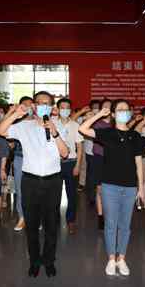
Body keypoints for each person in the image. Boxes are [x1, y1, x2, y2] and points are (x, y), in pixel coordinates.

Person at [0, 91, 69, 278]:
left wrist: (55, 132)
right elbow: (0, 131)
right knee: (32, 224)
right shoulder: (24, 126)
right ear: (34, 106)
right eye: (39, 103)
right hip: (30, 181)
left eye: (47, 103)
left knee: (51, 224)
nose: (43, 106)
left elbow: (65, 153)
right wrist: (14, 114)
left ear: (51, 107)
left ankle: (49, 260)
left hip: (52, 181)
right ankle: (34, 261)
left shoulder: (59, 125)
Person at [79, 100, 144, 277]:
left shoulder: (135, 136)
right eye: (120, 109)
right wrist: (99, 115)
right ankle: (111, 258)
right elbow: (83, 129)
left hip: (130, 186)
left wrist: (141, 187)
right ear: (113, 114)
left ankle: (121, 258)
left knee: (125, 225)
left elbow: (139, 162)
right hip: (109, 185)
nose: (124, 112)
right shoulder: (107, 133)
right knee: (110, 224)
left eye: (126, 109)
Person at [53, 98, 84, 234]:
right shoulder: (52, 123)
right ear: (58, 109)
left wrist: (78, 165)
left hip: (71, 163)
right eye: (62, 107)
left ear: (70, 110)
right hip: (55, 163)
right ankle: (54, 219)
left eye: (67, 108)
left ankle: (71, 220)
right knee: (54, 194)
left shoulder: (75, 125)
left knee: (72, 194)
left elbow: (80, 147)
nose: (65, 110)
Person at [10, 96, 34, 232]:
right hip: (20, 159)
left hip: (35, 160)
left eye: (31, 105)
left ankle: (35, 218)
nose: (28, 107)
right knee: (20, 189)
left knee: (35, 190)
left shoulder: (39, 122)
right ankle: (22, 216)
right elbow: (11, 143)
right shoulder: (16, 123)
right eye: (25, 105)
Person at [91, 98, 112, 230]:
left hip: (114, 160)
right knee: (99, 189)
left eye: (110, 106)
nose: (107, 108)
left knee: (111, 189)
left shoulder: (117, 124)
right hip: (99, 158)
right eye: (105, 106)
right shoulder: (97, 123)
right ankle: (100, 216)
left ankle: (110, 215)